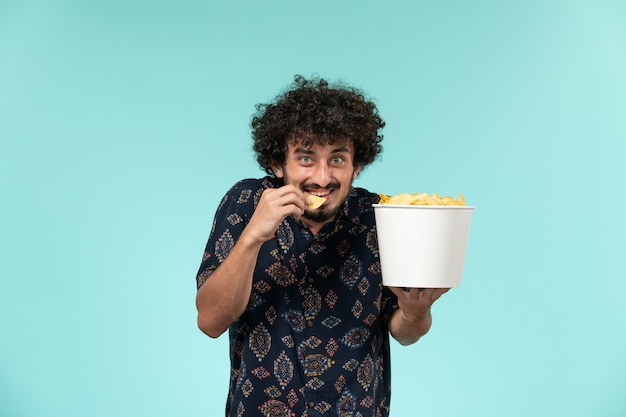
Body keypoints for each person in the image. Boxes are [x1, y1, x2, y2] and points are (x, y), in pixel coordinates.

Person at [195, 75, 449, 417]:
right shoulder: (246, 202)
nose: (322, 177)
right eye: (305, 158)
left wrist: (417, 312)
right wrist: (253, 235)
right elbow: (210, 321)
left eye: (337, 159)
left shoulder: (379, 219)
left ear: (357, 166)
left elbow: (403, 330)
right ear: (277, 163)